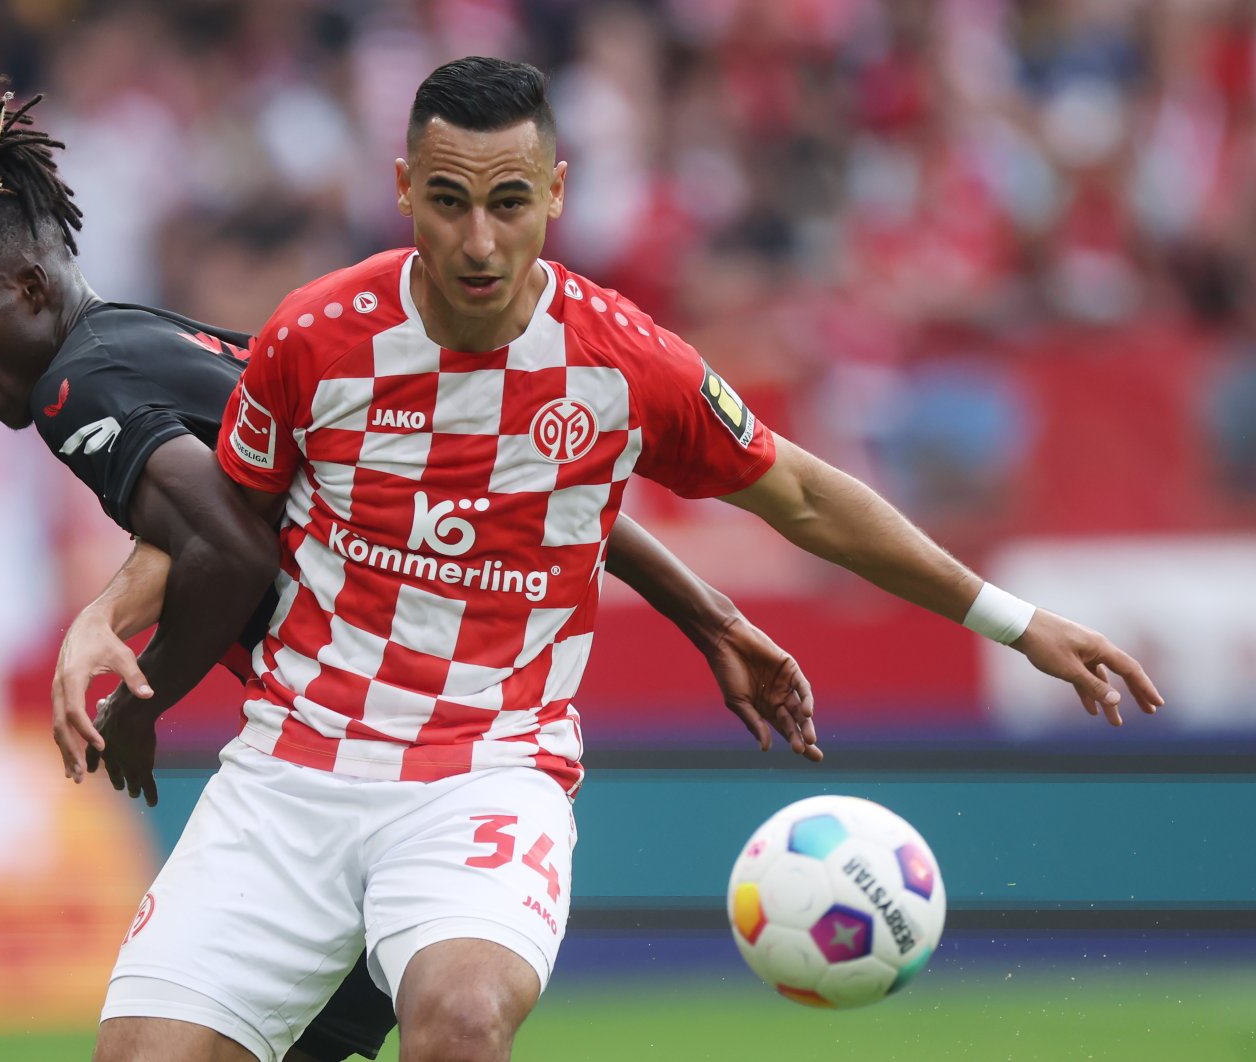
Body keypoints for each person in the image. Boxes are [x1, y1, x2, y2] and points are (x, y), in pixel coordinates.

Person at [77, 57, 1163, 1062]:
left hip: (489, 770)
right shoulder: (311, 337)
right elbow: (222, 522)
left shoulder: (623, 360)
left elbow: (803, 497)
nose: (479, 243)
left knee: (459, 1021)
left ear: (556, 193)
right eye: (448, 201)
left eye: (509, 204)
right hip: (290, 772)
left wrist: (1013, 622)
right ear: (405, 187)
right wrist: (106, 616)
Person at [0, 80, 819, 1062]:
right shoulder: (161, 343)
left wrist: (146, 697)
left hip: (397, 765)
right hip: (357, 769)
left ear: (32, 291)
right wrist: (707, 613)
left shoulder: (77, 388)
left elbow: (231, 547)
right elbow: (518, 493)